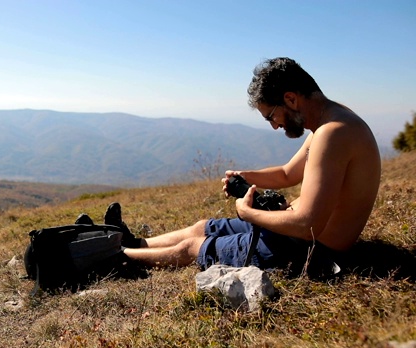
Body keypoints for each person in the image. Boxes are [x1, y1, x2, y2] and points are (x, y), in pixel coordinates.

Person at [122, 57, 381, 274]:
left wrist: (247, 213)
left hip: (310, 250)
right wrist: (244, 176)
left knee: (192, 247)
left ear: (290, 99)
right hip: (290, 231)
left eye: (271, 116)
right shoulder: (329, 122)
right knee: (202, 227)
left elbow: (307, 225)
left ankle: (116, 256)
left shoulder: (333, 133)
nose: (274, 125)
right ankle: (134, 243)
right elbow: (287, 173)